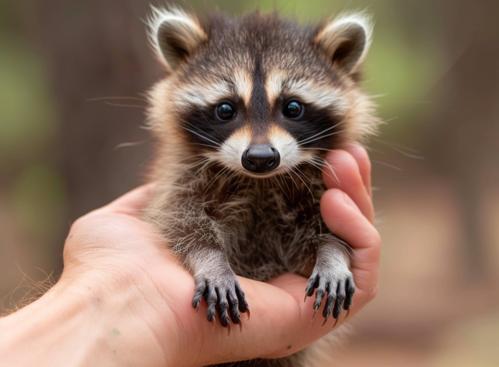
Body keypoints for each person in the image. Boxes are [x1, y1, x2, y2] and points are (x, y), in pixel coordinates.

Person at [0, 145, 380, 367]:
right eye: (227, 112)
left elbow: (329, 235)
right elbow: (184, 228)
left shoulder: (320, 170)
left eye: (292, 109)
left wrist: (333, 258)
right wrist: (205, 266)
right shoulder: (193, 167)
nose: (261, 145)